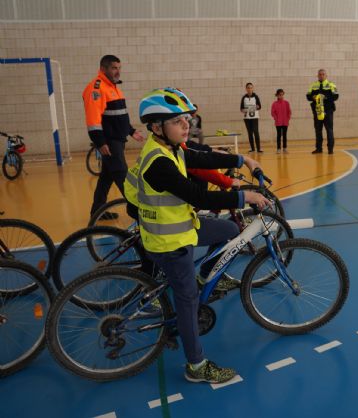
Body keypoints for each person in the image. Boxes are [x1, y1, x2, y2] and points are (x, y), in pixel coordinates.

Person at [124, 87, 270, 384]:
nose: (186, 125)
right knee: (188, 300)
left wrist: (243, 161)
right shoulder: (159, 163)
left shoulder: (170, 147)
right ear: (157, 127)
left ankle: (205, 276)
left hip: (182, 226)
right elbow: (198, 197)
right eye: (178, 121)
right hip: (169, 241)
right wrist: (246, 198)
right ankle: (196, 366)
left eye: (186, 119)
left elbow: (201, 156)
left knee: (229, 229)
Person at [82, 54, 144, 219]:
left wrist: (131, 131)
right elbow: (93, 120)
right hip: (109, 142)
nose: (118, 71)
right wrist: (100, 142)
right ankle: (140, 212)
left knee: (106, 179)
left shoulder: (114, 87)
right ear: (104, 69)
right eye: (114, 68)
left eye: (119, 68)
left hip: (117, 140)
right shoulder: (96, 89)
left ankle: (97, 212)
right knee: (122, 176)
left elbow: (119, 116)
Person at [306, 69, 338, 154]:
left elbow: (336, 96)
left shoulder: (331, 84)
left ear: (326, 75)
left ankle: (330, 149)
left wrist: (325, 97)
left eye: (323, 74)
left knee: (329, 130)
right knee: (318, 130)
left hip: (328, 111)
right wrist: (313, 97)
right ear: (317, 75)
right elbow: (308, 96)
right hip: (317, 111)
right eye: (320, 74)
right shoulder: (313, 85)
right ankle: (319, 148)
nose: (321, 76)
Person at [240, 83, 262, 153]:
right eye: (248, 88)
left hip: (255, 117)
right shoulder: (244, 97)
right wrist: (244, 110)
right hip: (247, 118)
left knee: (256, 132)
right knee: (250, 133)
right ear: (246, 89)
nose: (249, 89)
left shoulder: (256, 97)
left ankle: (259, 149)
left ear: (253, 88)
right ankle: (252, 149)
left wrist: (254, 107)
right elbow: (241, 109)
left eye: (251, 88)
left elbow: (259, 106)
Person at [271, 89, 292, 154]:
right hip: (278, 123)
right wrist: (276, 119)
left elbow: (289, 112)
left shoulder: (286, 103)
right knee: (279, 135)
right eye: (280, 95)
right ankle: (278, 148)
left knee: (285, 135)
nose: (281, 96)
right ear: (277, 95)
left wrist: (288, 119)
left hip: (285, 122)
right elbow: (272, 112)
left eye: (282, 94)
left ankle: (285, 148)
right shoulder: (274, 104)